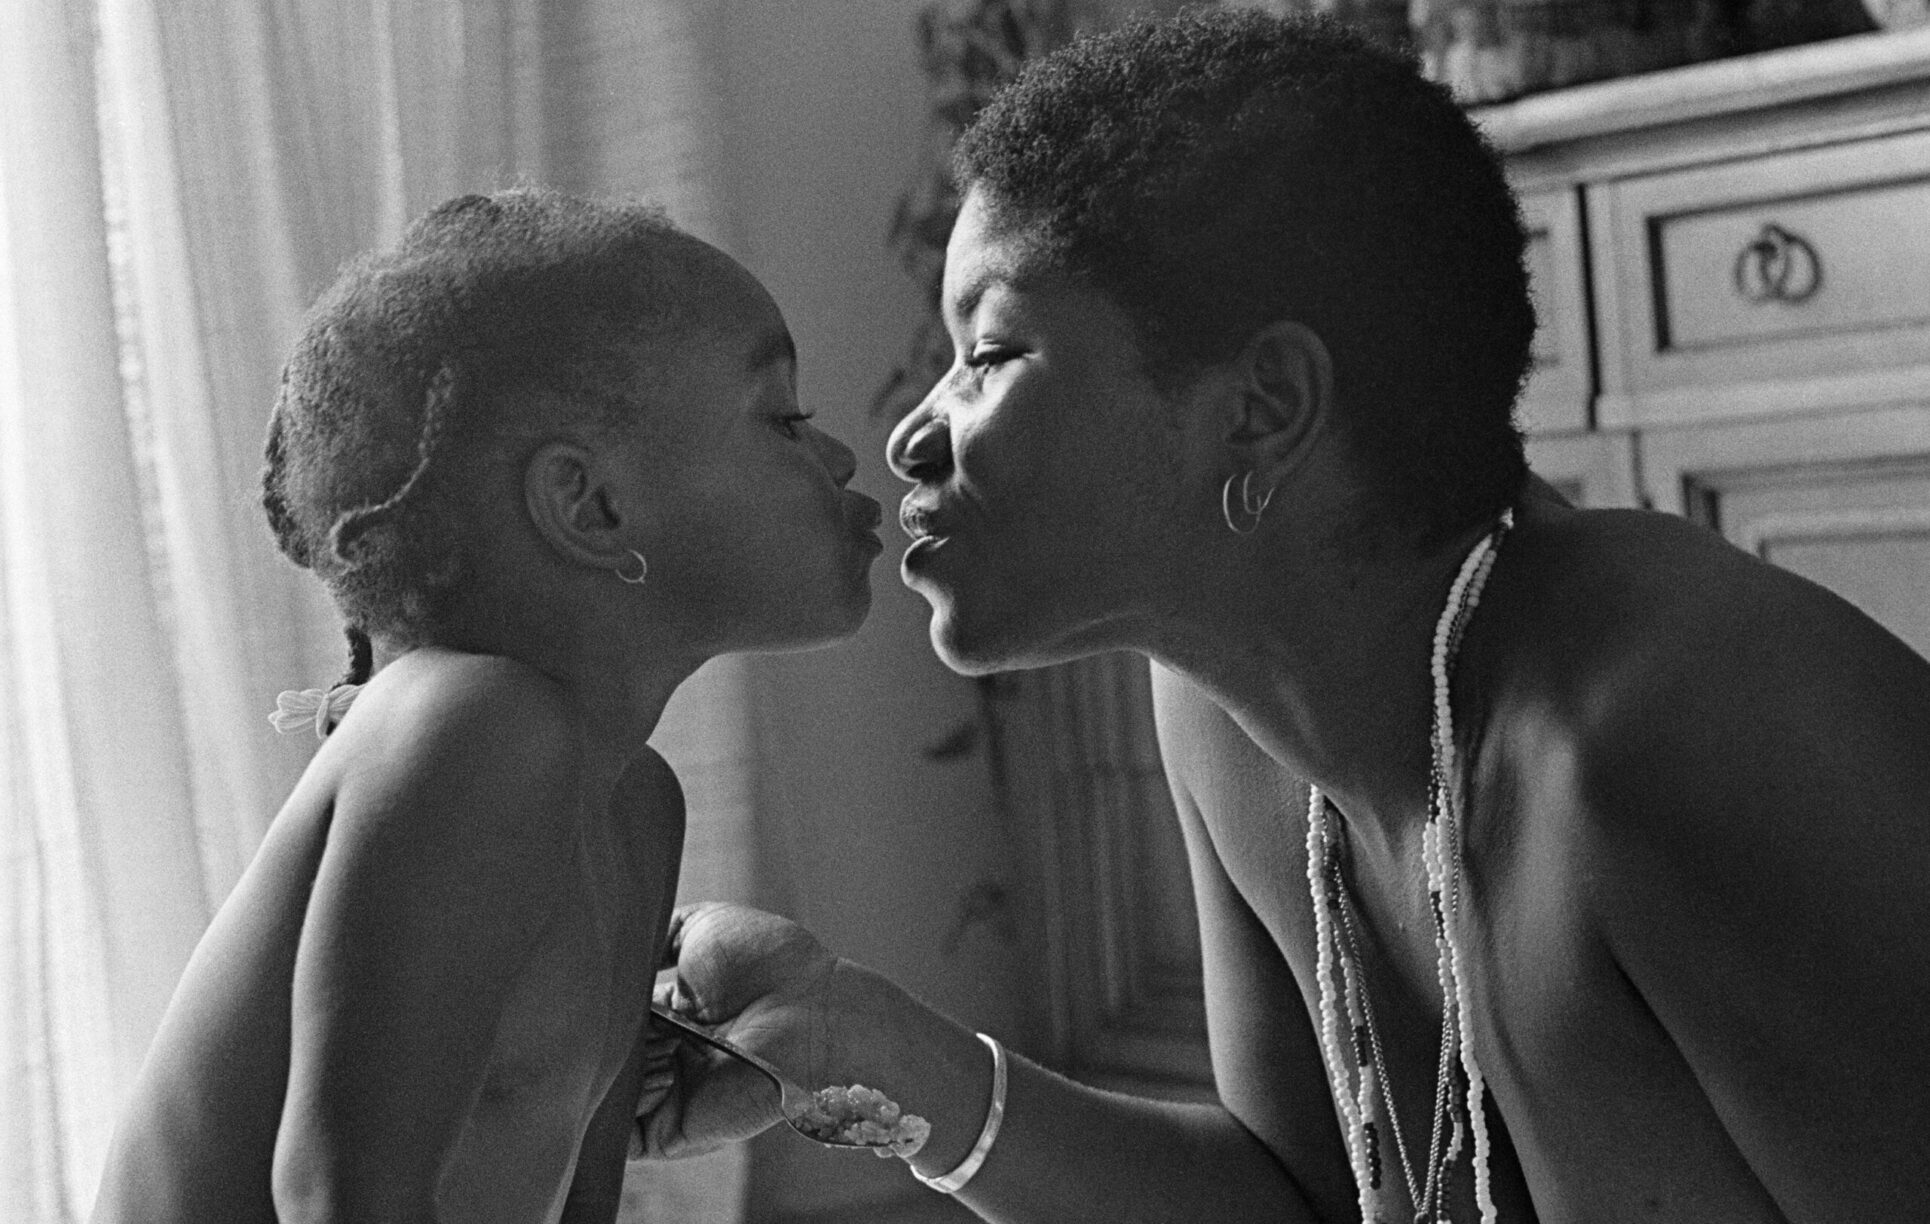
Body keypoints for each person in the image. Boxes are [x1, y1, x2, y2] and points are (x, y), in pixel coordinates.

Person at [634, 11, 1930, 1223]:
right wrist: (857, 1047)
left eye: (989, 352)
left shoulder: (1677, 729)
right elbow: (1298, 1196)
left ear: (1260, 409)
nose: (912, 434)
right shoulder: (1228, 719)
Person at [90, 187, 884, 1224]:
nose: (838, 457)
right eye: (785, 419)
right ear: (590, 506)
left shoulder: (636, 805)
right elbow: (336, 1197)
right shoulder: (469, 730)